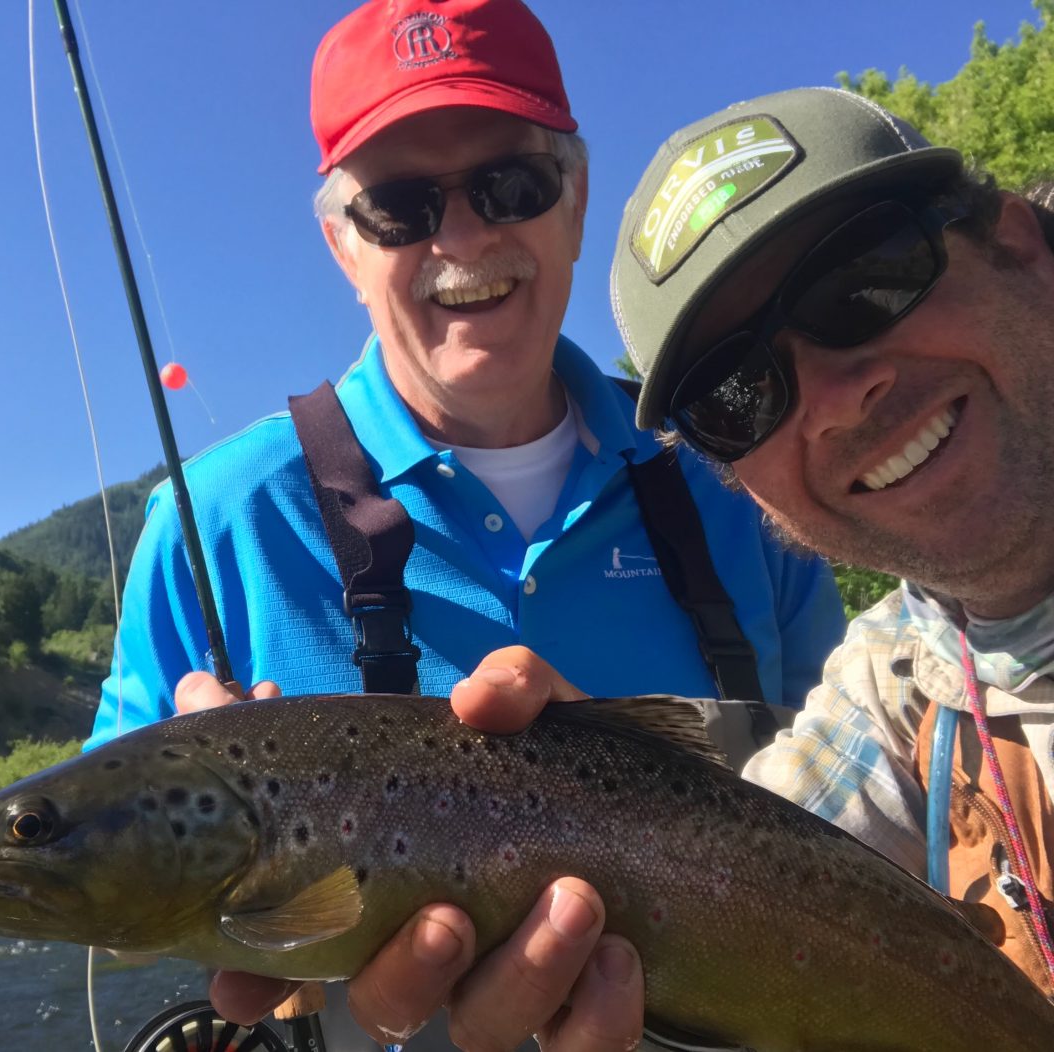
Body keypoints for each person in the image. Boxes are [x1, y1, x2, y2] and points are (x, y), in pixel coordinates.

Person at [94, 5, 848, 1045]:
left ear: (576, 204)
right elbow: (102, 864)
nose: (462, 239)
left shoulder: (742, 472)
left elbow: (880, 790)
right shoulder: (208, 525)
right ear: (343, 248)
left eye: (512, 186)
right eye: (401, 207)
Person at [254, 85, 1053, 1044]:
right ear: (737, 477)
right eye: (738, 391)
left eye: (867, 283)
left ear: (1020, 244)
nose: (838, 399)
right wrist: (581, 810)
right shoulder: (898, 684)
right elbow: (775, 903)